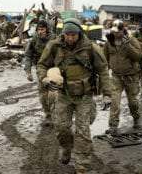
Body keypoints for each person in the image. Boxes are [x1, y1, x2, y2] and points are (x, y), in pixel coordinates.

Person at [37, 18, 111, 173]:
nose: (70, 38)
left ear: (79, 33)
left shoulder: (91, 48)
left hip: (84, 96)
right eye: (67, 35)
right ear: (63, 34)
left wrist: (107, 94)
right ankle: (67, 148)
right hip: (63, 94)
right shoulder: (55, 46)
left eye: (73, 35)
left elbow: (103, 70)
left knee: (82, 130)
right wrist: (44, 78)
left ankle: (82, 165)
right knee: (61, 128)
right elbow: (42, 65)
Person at [103, 19, 142, 134]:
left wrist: (128, 46)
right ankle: (113, 125)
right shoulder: (109, 42)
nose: (115, 34)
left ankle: (136, 118)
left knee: (133, 102)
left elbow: (138, 56)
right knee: (114, 101)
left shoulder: (131, 40)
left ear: (122, 30)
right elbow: (104, 60)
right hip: (116, 77)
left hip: (131, 77)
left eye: (117, 31)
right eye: (113, 31)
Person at [24, 19, 55, 126]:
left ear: (47, 30)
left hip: (54, 70)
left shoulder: (55, 40)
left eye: (42, 29)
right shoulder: (34, 40)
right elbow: (28, 55)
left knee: (54, 95)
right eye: (38, 29)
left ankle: (57, 114)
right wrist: (28, 71)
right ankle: (48, 115)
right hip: (41, 70)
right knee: (43, 96)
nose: (40, 32)